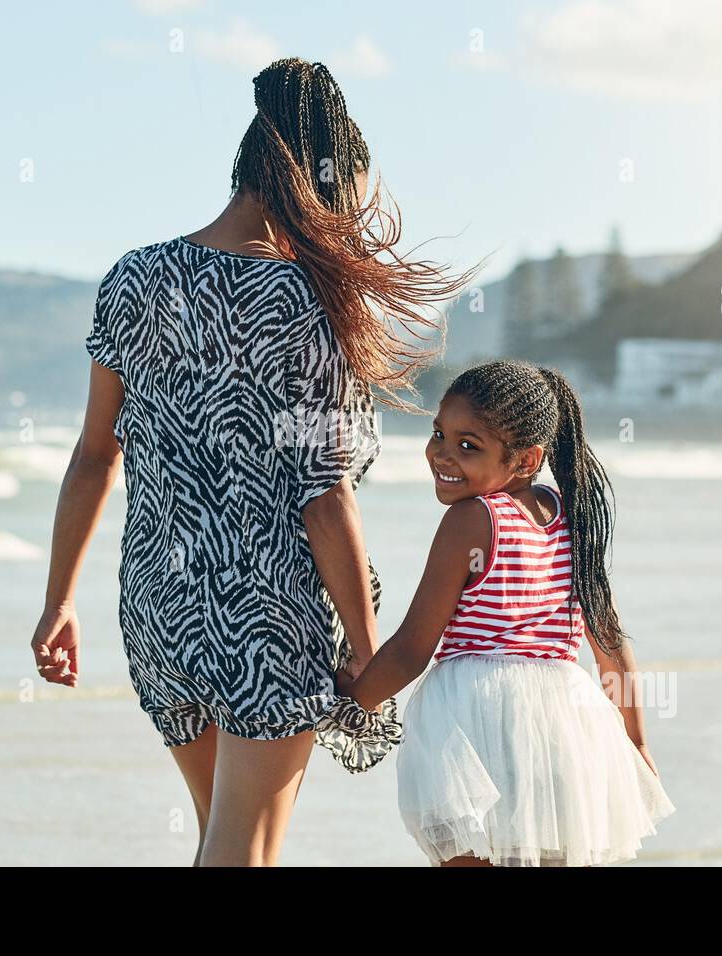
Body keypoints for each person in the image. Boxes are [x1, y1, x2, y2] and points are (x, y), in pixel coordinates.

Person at [29, 56, 479, 866]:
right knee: (244, 853)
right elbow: (323, 496)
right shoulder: (307, 304)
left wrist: (59, 600)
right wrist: (366, 642)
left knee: (226, 842)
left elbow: (96, 455)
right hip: (267, 613)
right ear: (319, 180)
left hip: (160, 604)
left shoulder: (133, 279)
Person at [337, 360, 677, 866]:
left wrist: (349, 703)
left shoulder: (471, 520)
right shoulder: (572, 518)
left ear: (525, 460)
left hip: (473, 726)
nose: (441, 455)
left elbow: (412, 647)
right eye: (438, 434)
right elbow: (611, 646)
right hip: (568, 729)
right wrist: (636, 744)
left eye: (467, 445)